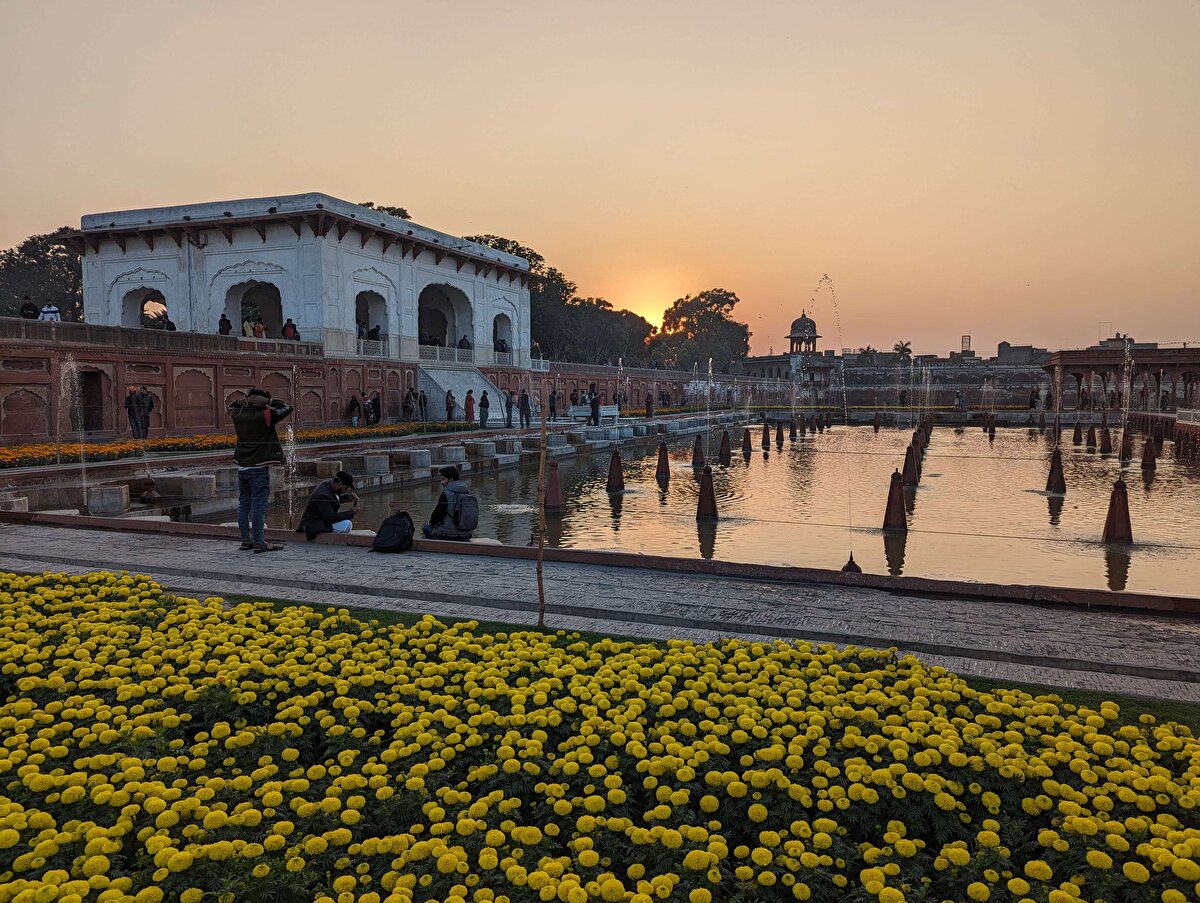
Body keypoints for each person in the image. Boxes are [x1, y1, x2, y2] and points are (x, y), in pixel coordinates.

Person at [229, 388, 292, 553]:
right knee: (258, 507)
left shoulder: (237, 414)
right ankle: (259, 542)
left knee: (244, 505)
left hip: (242, 467)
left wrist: (242, 402)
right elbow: (287, 407)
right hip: (258, 468)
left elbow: (231, 406)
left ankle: (245, 541)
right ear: (263, 403)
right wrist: (270, 403)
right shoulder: (265, 416)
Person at [296, 470, 358, 540]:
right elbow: (332, 517)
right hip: (312, 525)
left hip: (321, 520)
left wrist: (347, 497)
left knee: (346, 524)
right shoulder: (323, 494)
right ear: (340, 484)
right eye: (346, 488)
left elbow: (333, 499)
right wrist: (351, 512)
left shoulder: (328, 485)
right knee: (347, 525)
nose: (346, 491)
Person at [423, 466, 473, 540]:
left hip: (449, 535)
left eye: (443, 479)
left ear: (451, 479)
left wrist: (430, 523)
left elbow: (436, 516)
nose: (441, 482)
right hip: (467, 534)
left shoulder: (446, 494)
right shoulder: (467, 492)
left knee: (426, 527)